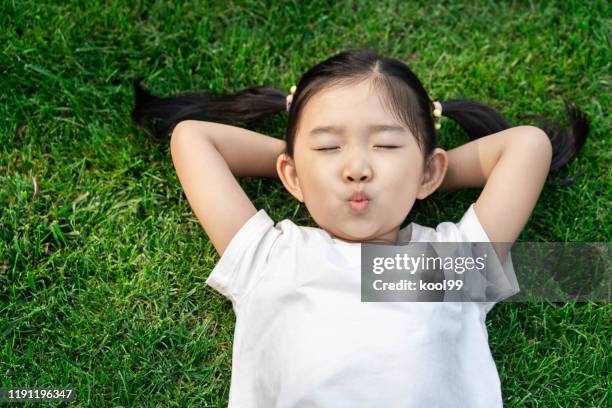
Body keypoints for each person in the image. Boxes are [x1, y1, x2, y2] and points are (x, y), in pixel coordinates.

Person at [131, 48, 589, 407]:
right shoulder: (270, 259)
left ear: (429, 173)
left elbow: (527, 146)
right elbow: (193, 138)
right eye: (329, 148)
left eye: (387, 145)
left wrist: (414, 177)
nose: (356, 168)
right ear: (291, 175)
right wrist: (307, 171)